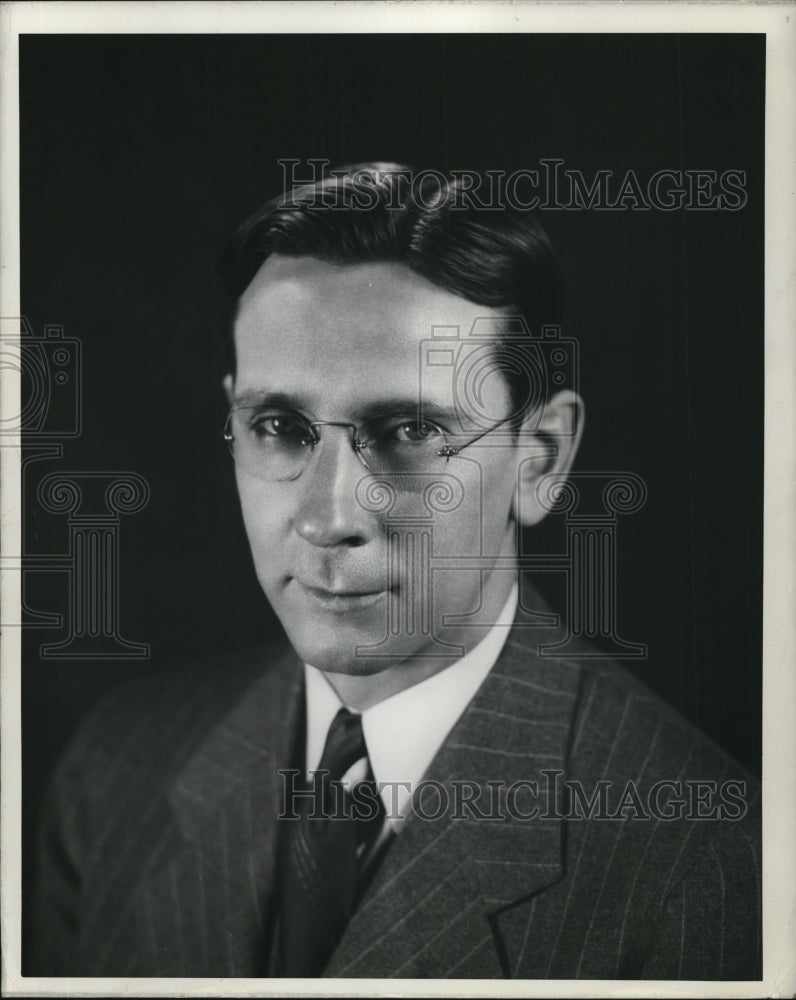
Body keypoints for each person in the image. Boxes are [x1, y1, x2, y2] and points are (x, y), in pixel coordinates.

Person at [29, 164, 761, 980]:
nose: (328, 517)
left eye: (411, 431)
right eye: (279, 426)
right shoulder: (118, 769)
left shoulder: (707, 865)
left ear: (540, 459)